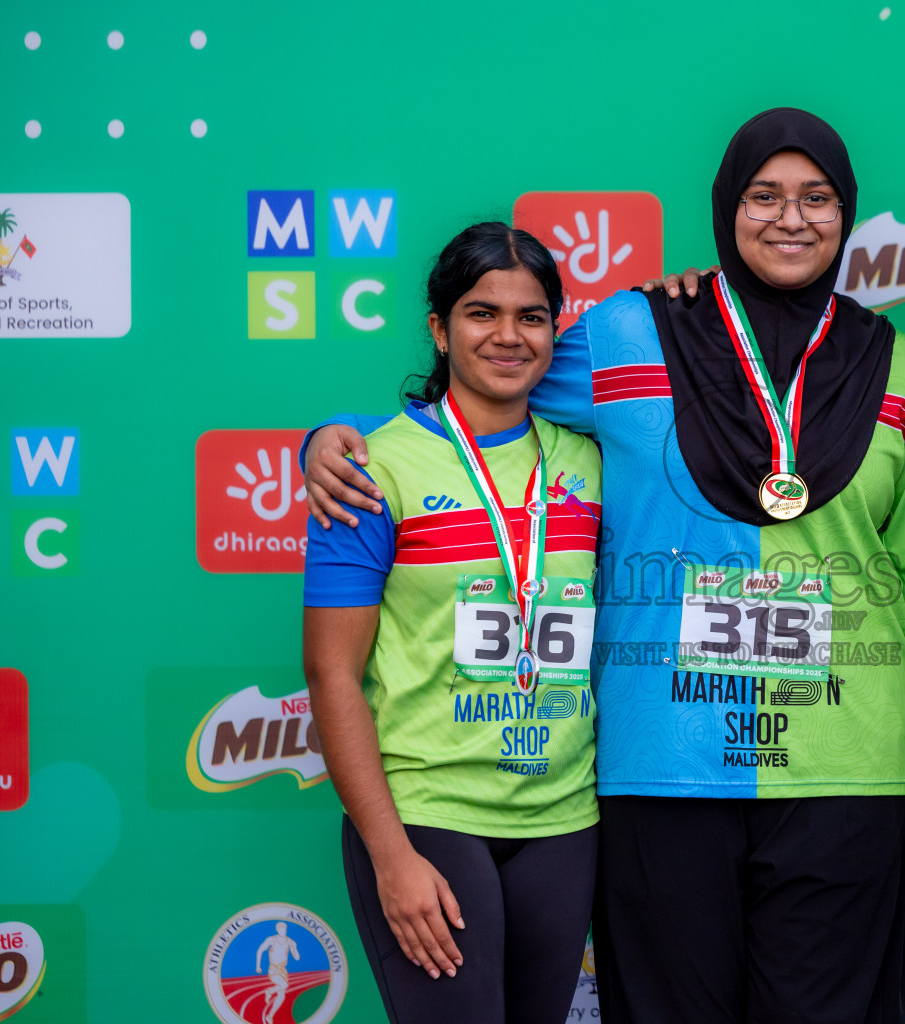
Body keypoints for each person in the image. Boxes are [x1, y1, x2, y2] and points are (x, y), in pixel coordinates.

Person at [301, 108, 905, 1024]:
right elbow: (489, 376)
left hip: (842, 771)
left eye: (817, 198)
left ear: (848, 214)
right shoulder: (630, 332)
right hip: (664, 769)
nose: (790, 218)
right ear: (726, 207)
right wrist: (327, 443)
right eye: (763, 195)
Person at [302, 222, 602, 1024]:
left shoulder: (592, 460)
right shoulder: (369, 471)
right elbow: (332, 675)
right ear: (439, 329)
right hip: (427, 815)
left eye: (532, 316)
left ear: (556, 329)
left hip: (565, 818)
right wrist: (389, 854)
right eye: (480, 313)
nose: (508, 335)